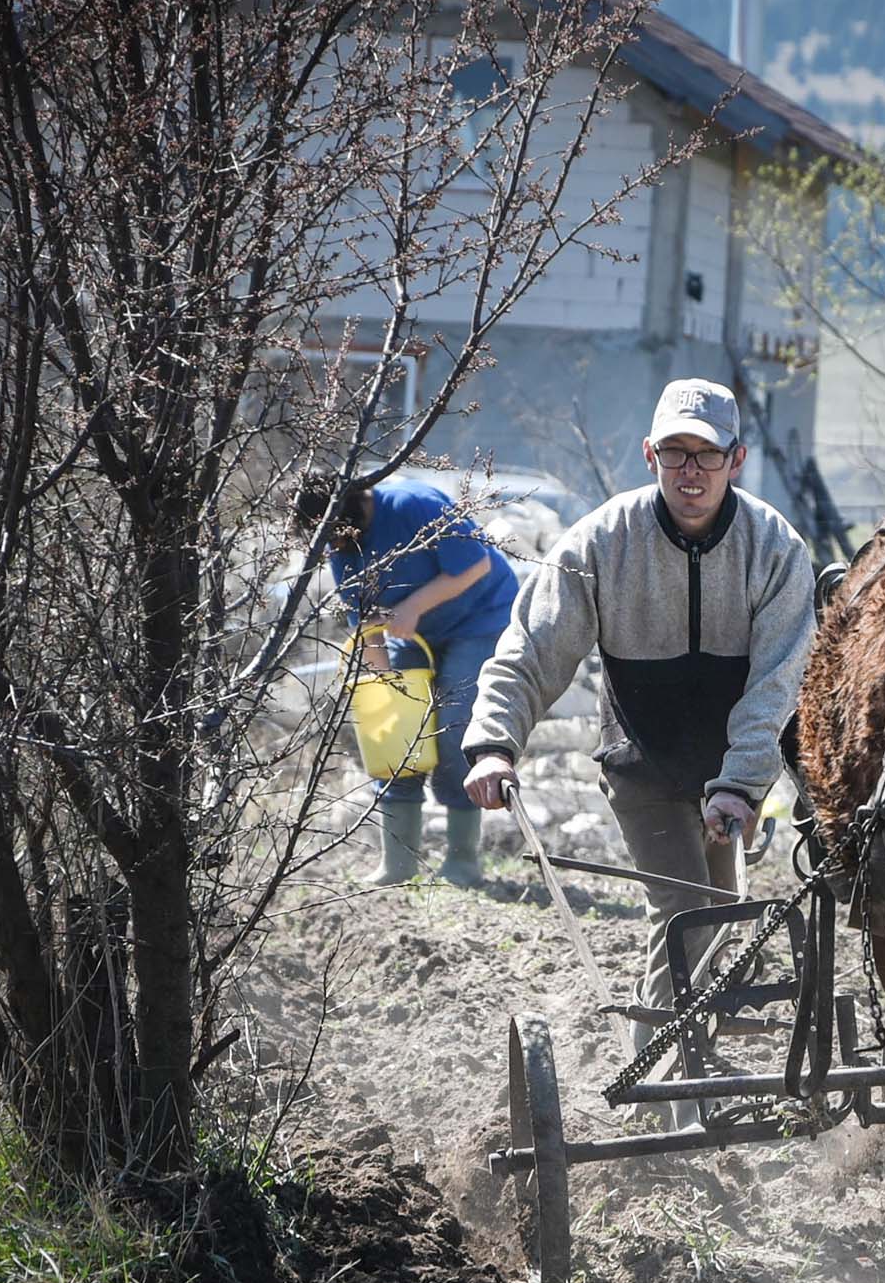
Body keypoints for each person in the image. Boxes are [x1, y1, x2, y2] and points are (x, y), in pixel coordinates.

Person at [462, 378, 815, 1035]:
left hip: (729, 767)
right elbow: (533, 648)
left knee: (720, 911)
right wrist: (493, 741)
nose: (691, 471)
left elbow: (776, 682)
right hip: (641, 761)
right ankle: (666, 1086)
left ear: (736, 460)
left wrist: (739, 785)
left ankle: (666, 1055)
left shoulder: (775, 550)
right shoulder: (600, 543)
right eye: (676, 453)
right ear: (649, 455)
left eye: (707, 454)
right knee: (685, 908)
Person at [323, 472, 520, 886]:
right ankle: (397, 866)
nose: (335, 547)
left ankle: (463, 861)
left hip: (480, 619)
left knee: (455, 726)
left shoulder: (412, 503)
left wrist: (412, 606)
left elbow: (476, 564)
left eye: (336, 535)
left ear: (352, 511)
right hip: (412, 632)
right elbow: (366, 625)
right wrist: (387, 689)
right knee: (398, 734)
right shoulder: (338, 545)